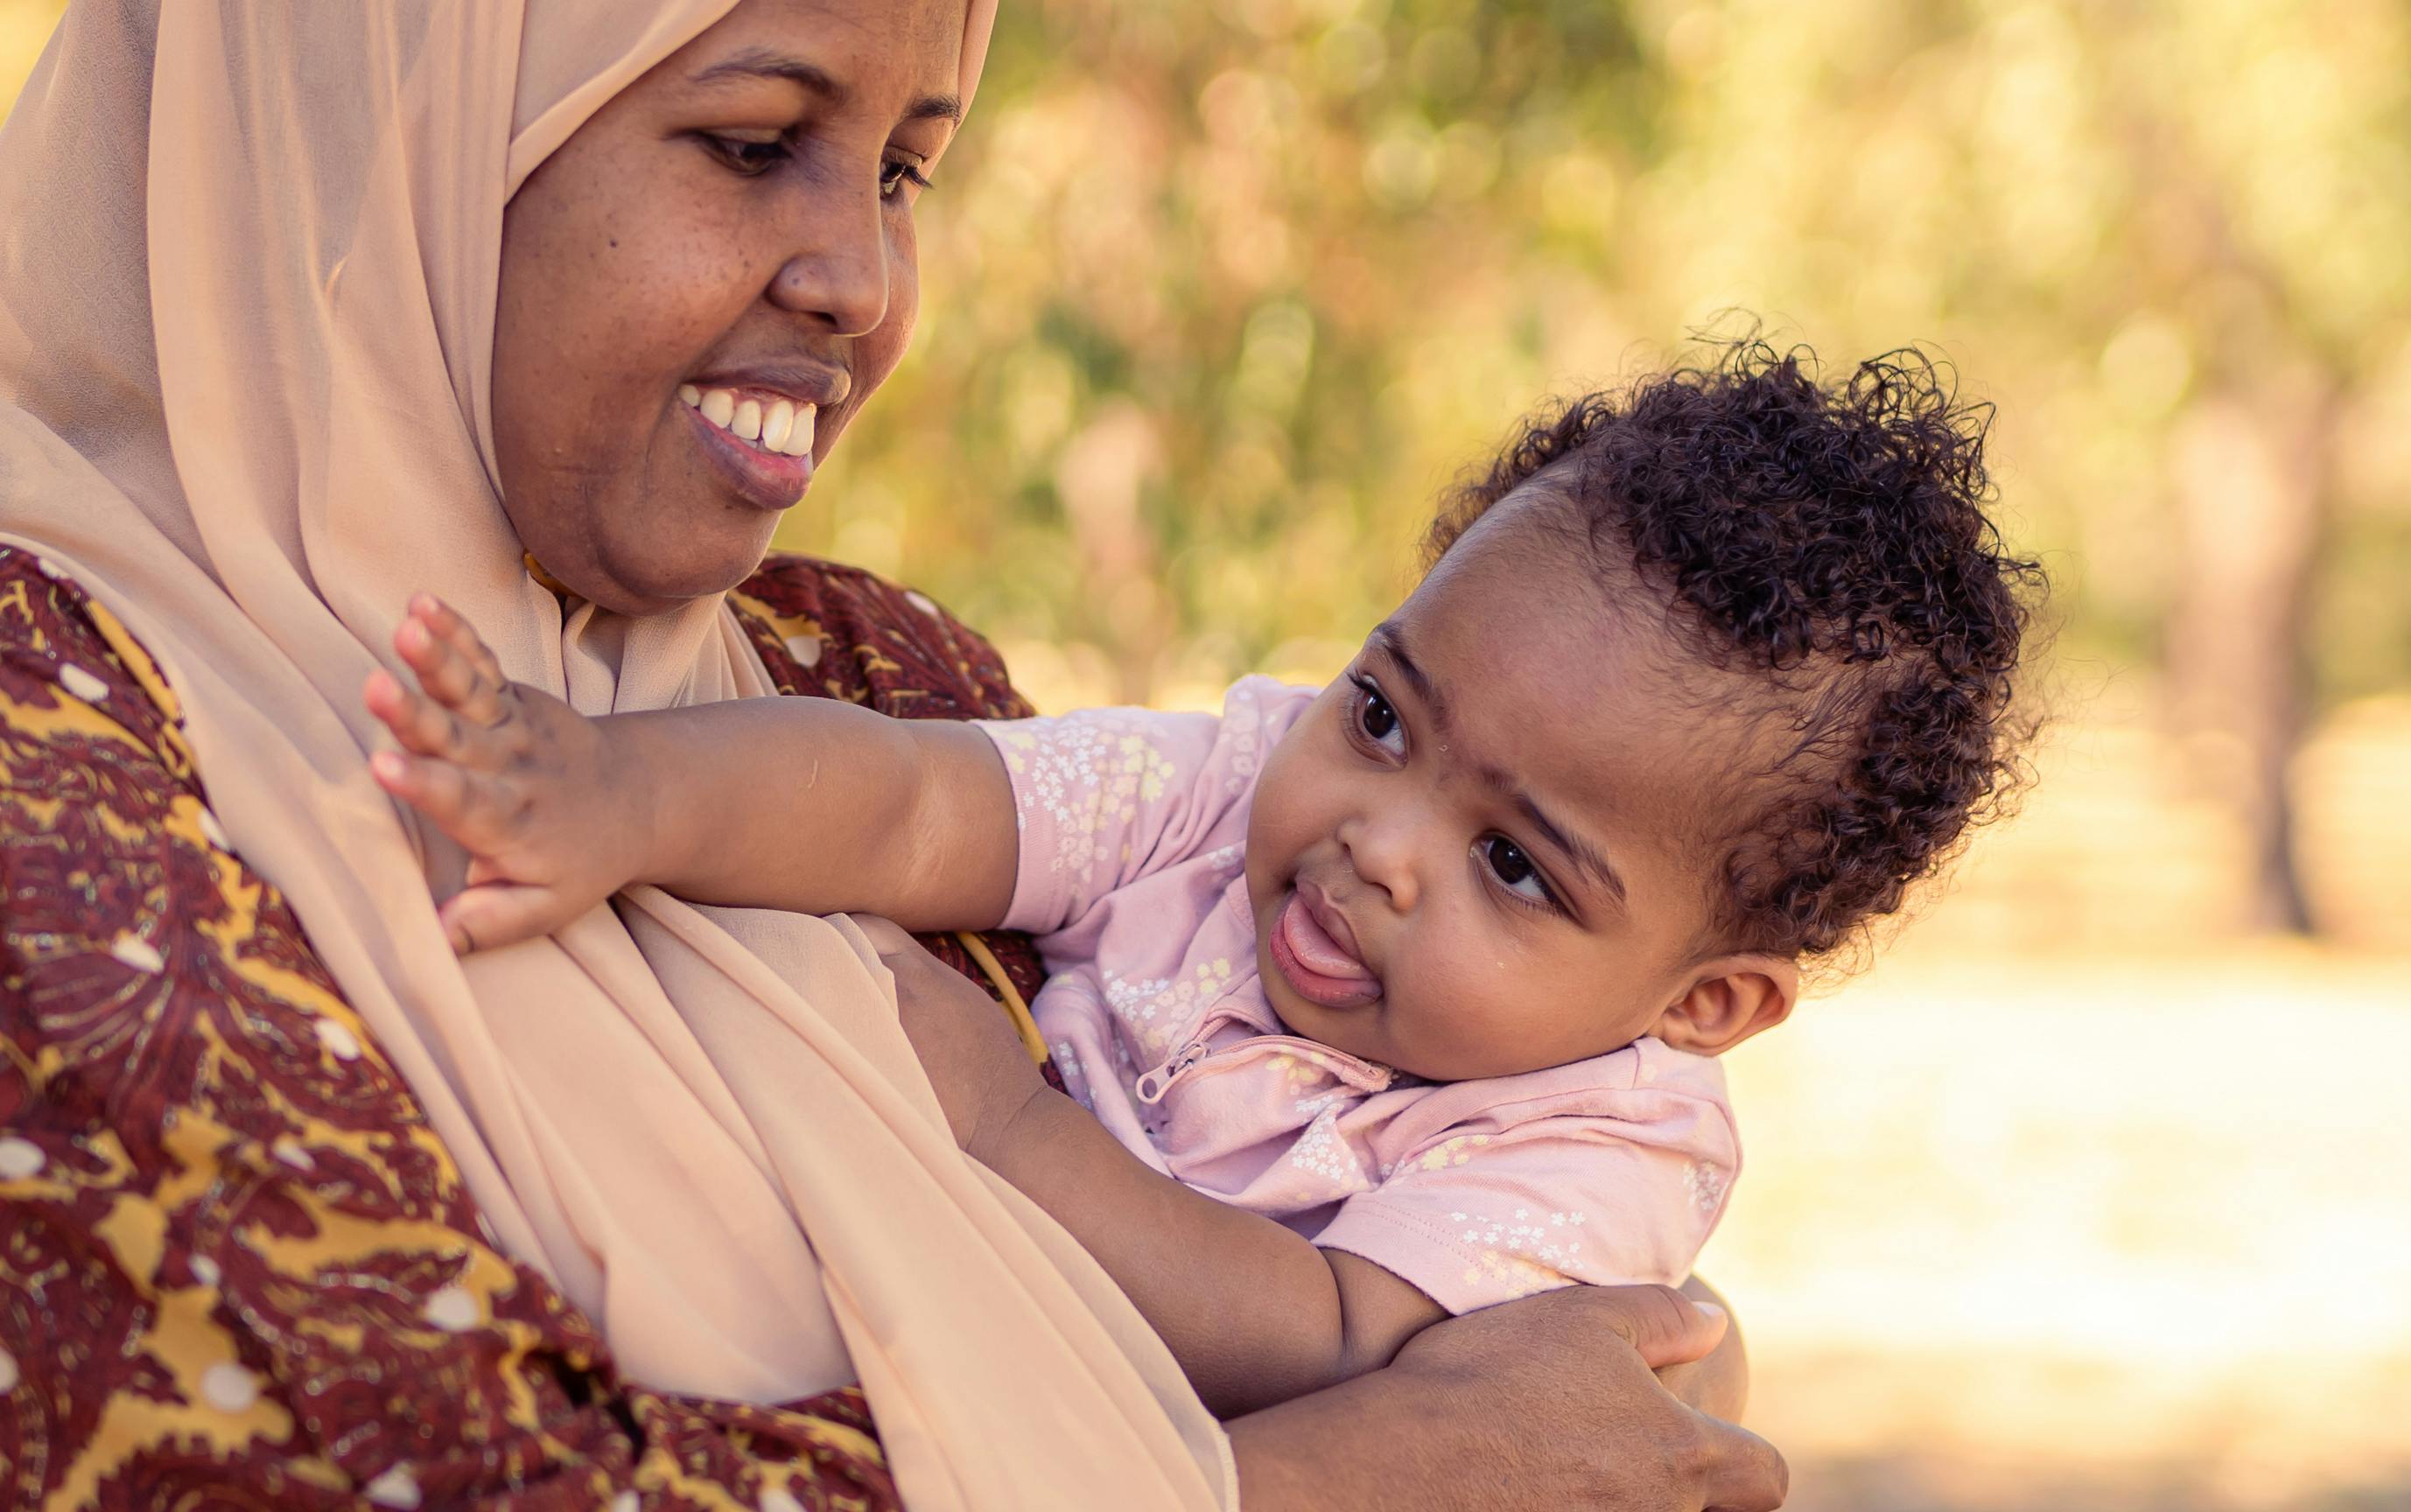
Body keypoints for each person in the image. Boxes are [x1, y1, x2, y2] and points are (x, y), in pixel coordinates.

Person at [0, 2, 1789, 1508]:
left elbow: (1593, 1373)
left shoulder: (865, 675)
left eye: (905, 168)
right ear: (377, 118)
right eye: (755, 137)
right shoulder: (53, 762)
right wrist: (1345, 1479)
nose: (863, 277)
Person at [366, 346, 2040, 1421]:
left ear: (1702, 1004)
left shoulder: (1598, 1155)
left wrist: (1009, 1128)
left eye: (1516, 865)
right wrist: (614, 792)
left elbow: (1331, 1346)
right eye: (1385, 714)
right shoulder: (1234, 785)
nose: (1379, 839)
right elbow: (913, 808)